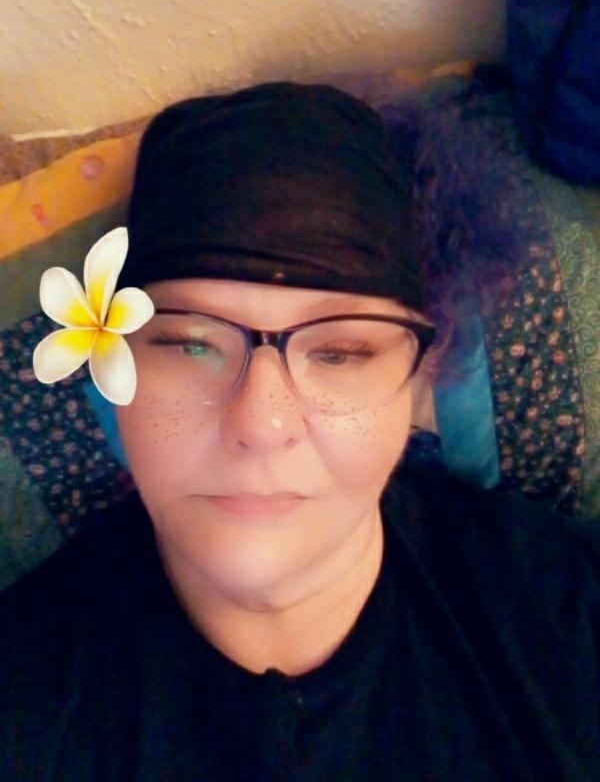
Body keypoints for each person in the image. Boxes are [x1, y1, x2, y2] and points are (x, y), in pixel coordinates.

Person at [1, 81, 599, 781]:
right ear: (110, 364)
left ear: (418, 378)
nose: (262, 424)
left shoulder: (569, 624)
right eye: (190, 344)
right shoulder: (25, 702)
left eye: (340, 353)